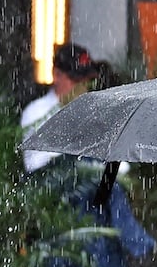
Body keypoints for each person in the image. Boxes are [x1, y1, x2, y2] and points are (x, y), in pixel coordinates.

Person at [22, 43, 102, 173]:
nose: (81, 85)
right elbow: (35, 165)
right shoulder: (36, 112)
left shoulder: (96, 110)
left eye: (86, 80)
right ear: (56, 75)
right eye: (75, 79)